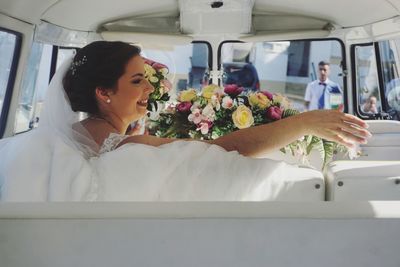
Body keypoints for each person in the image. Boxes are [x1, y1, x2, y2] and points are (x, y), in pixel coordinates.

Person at [0, 41, 371, 202]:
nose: (149, 87)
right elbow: (223, 150)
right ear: (104, 92)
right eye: (136, 80)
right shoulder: (128, 148)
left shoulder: (40, 146)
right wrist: (303, 123)